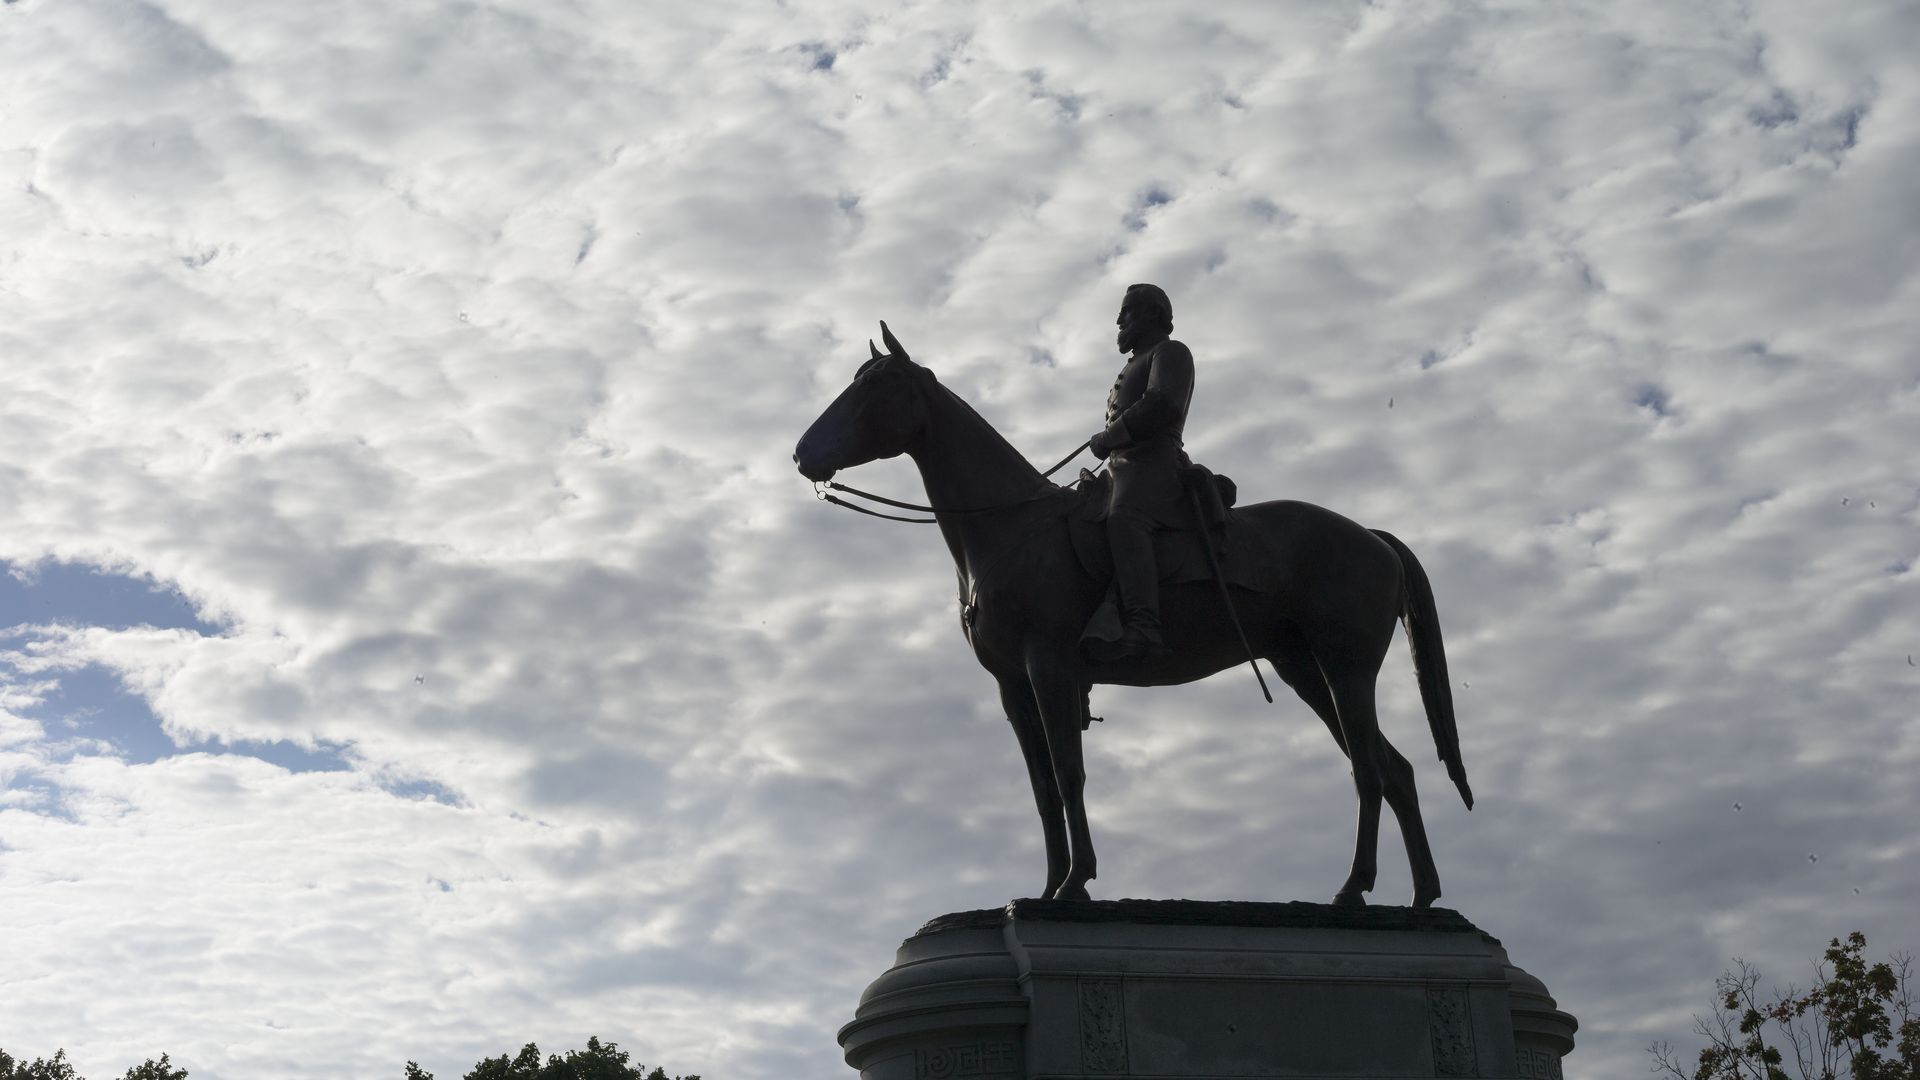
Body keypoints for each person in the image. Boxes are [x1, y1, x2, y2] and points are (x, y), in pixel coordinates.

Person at [1086, 283, 1193, 663]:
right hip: (1121, 467)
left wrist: (1110, 435)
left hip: (1154, 463)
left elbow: (1163, 402)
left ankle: (1145, 626)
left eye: (1128, 311)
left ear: (1153, 314)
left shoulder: (1170, 352)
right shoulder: (1134, 362)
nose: (1119, 320)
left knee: (1124, 520)